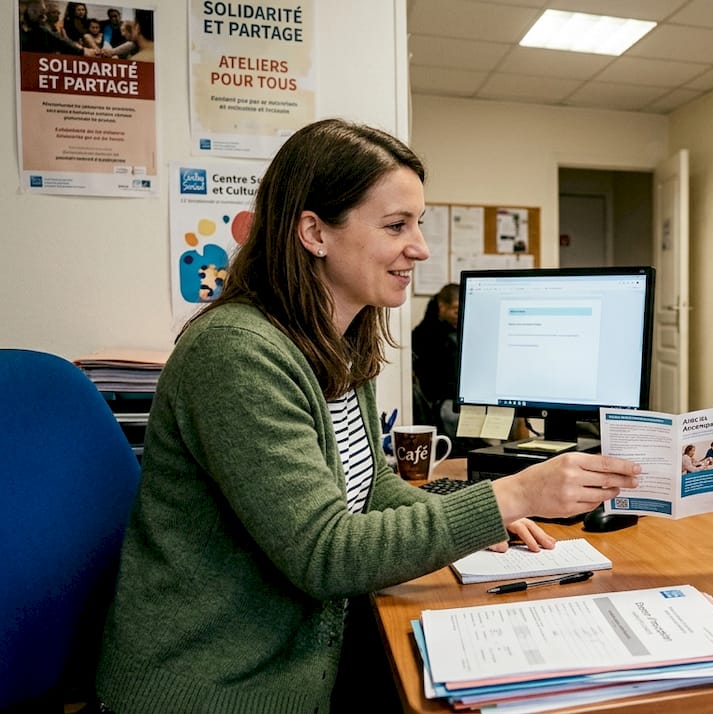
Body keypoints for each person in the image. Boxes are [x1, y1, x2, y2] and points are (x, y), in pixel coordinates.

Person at [95, 118, 641, 714]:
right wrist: (510, 497)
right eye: (395, 226)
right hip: (218, 688)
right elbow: (326, 553)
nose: (421, 248)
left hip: (305, 664)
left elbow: (369, 486)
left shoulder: (338, 342)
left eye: (420, 224)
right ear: (314, 232)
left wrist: (470, 523)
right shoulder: (237, 353)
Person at [411, 283, 460, 432]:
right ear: (442, 307)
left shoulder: (457, 331)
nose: (461, 316)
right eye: (457, 312)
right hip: (440, 404)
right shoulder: (422, 337)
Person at [18, 0, 93, 55]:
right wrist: (82, 51)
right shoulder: (40, 30)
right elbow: (60, 40)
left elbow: (61, 40)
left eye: (58, 12)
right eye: (41, 14)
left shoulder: (48, 28)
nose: (44, 18)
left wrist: (82, 50)